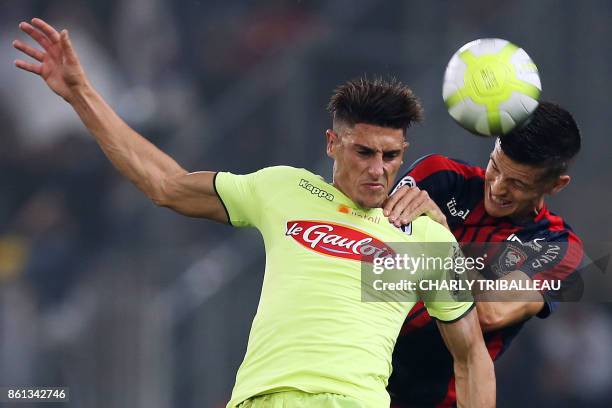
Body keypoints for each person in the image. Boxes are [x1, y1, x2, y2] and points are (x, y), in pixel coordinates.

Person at [13, 18, 495, 408]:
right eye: (363, 152)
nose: (378, 168)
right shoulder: (283, 188)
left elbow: (471, 355)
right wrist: (81, 94)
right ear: (332, 144)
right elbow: (167, 185)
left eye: (391, 156)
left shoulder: (427, 236)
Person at [382, 101, 584, 407]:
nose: (498, 187)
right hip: (360, 370)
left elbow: (490, 312)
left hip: (434, 398)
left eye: (517, 182)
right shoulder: (440, 177)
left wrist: (441, 235)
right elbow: (371, 242)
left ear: (556, 185)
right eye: (495, 166)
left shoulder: (559, 247)